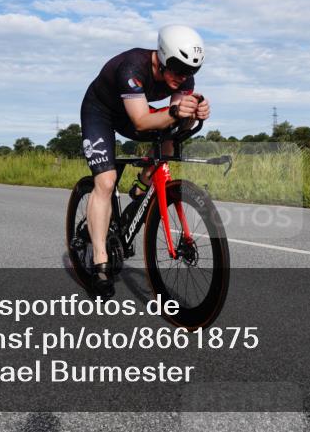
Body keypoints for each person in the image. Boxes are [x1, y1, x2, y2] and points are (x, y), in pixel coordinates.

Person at [79, 25, 211, 295]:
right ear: (162, 57)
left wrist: (194, 114)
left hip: (130, 111)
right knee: (105, 181)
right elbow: (140, 122)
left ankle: (141, 185)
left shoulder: (183, 79)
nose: (183, 76)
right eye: (177, 68)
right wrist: (176, 112)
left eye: (190, 71)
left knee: (170, 143)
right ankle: (100, 263)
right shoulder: (133, 67)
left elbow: (177, 125)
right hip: (100, 111)